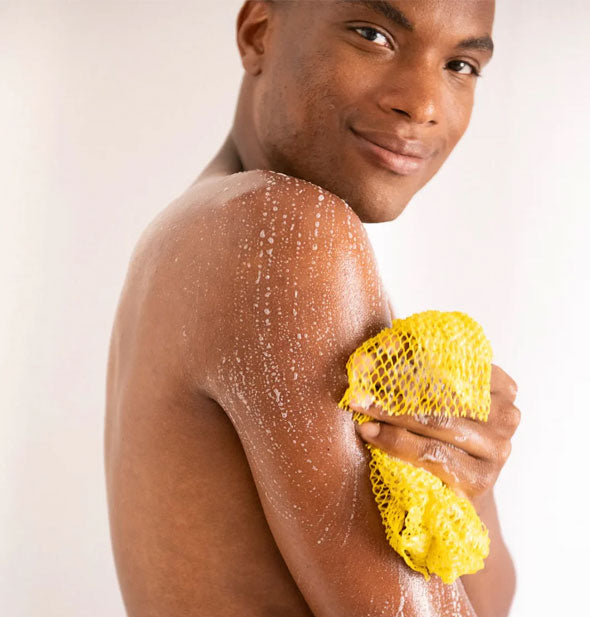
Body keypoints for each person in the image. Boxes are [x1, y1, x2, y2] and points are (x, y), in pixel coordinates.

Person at [104, 1, 520, 615]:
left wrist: (456, 477)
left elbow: (491, 598)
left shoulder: (194, 231)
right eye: (373, 35)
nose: (424, 103)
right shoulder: (282, 231)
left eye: (460, 64)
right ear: (259, 32)